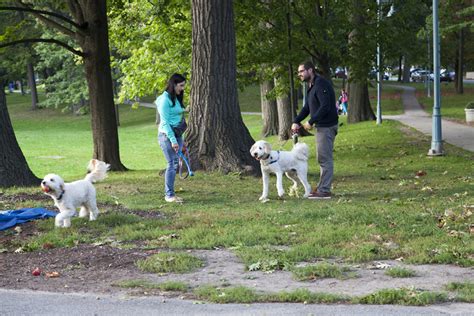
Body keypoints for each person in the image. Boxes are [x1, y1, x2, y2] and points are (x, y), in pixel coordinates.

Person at [292, 61, 338, 199]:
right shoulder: (312, 86)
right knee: (322, 158)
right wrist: (296, 121)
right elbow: (307, 107)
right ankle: (322, 187)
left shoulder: (321, 84)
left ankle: (324, 191)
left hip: (327, 127)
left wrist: (311, 121)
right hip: (322, 127)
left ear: (310, 70)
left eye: (301, 71)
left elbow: (325, 106)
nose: (299, 74)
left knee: (325, 159)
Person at [155, 73, 187, 203]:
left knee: (175, 164)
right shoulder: (164, 100)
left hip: (177, 134)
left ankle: (171, 194)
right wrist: (174, 141)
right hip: (166, 136)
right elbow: (165, 123)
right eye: (181, 85)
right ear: (173, 84)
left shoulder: (176, 98)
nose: (183, 88)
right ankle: (169, 195)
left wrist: (181, 141)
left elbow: (178, 117)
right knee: (172, 164)